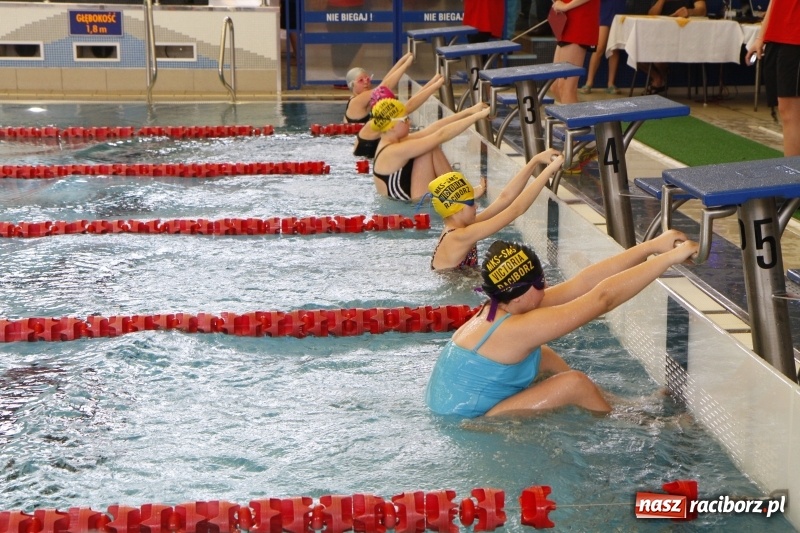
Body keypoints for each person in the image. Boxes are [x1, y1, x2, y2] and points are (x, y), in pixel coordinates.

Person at [425, 231, 699, 418]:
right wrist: (669, 259)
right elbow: (603, 299)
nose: (545, 288)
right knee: (573, 384)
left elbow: (582, 284)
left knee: (543, 356)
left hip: (450, 405)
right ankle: (640, 423)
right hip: (470, 421)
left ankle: (625, 404)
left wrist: (652, 247)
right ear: (526, 288)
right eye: (542, 282)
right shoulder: (518, 328)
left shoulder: (502, 305)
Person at [429, 149, 564, 271]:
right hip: (455, 293)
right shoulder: (460, 236)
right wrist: (549, 170)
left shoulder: (464, 227)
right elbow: (517, 210)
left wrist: (535, 160)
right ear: (455, 210)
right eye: (471, 202)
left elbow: (505, 198)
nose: (476, 206)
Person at [370, 99, 491, 202]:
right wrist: (478, 116)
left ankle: (458, 191)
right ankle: (460, 194)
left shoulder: (392, 142)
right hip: (414, 208)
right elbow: (440, 135)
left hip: (413, 202)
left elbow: (432, 130)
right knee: (430, 148)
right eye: (405, 119)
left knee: (428, 146)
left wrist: (469, 111)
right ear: (391, 127)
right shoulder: (393, 151)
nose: (409, 121)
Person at [746, 0, 800, 156]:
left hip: (795, 36)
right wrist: (760, 37)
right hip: (778, 36)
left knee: (791, 112)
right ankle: (792, 170)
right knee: (786, 111)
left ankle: (793, 173)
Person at [353, 74, 446, 159]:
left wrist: (434, 81)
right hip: (365, 164)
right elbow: (409, 106)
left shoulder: (377, 118)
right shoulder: (379, 121)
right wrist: (436, 85)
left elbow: (411, 101)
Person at [640, 0, 707, 94]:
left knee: (658, 58)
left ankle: (660, 79)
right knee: (636, 52)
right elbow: (651, 14)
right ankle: (658, 78)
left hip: (685, 35)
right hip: (659, 34)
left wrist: (689, 12)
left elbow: (702, 10)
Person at [549, 0, 602, 104]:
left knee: (566, 88)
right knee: (555, 86)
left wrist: (566, 6)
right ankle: (575, 117)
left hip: (578, 19)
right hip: (564, 19)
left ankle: (576, 119)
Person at [344, 52, 414, 124]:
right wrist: (406, 65)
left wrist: (403, 60)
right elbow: (385, 86)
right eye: (361, 80)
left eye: (367, 79)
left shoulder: (364, 98)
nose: (366, 82)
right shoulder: (356, 101)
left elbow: (386, 80)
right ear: (352, 85)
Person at [579, 0, 626, 94]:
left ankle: (611, 84)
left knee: (614, 47)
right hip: (603, 9)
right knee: (599, 47)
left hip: (618, 9)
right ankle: (589, 82)